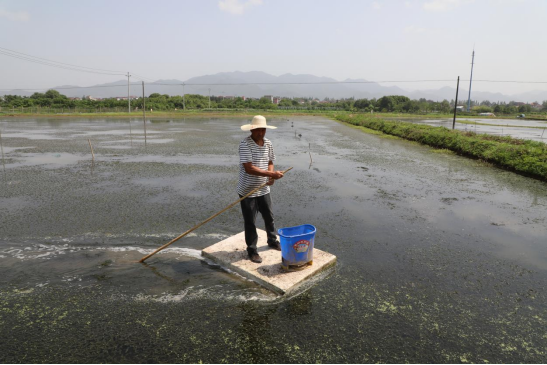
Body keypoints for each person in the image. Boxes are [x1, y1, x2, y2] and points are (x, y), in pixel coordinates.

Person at [238, 115, 284, 263]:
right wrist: (271, 174)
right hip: (248, 190)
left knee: (269, 216)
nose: (261, 133)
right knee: (250, 221)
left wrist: (270, 177)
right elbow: (249, 169)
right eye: (258, 130)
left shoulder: (268, 143)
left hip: (263, 189)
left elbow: (270, 161)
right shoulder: (245, 144)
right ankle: (252, 250)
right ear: (252, 130)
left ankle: (272, 240)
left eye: (263, 130)